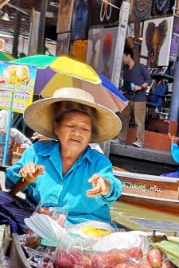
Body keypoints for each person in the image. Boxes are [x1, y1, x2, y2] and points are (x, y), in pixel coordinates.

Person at [4, 87, 123, 226]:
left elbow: (113, 188)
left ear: (91, 134)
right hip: (40, 221)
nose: (77, 133)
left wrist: (106, 185)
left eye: (85, 129)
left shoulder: (99, 162)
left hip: (83, 228)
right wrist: (25, 177)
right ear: (57, 128)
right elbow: (10, 185)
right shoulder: (37, 151)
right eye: (70, 125)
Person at [118, 46, 151, 148]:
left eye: (123, 56)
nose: (122, 59)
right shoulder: (125, 70)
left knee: (139, 121)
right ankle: (120, 139)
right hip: (128, 97)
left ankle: (139, 141)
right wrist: (120, 92)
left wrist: (140, 87)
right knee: (124, 118)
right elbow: (126, 85)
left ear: (128, 56)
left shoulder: (140, 67)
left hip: (140, 98)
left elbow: (148, 80)